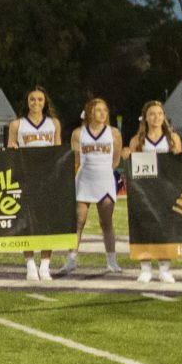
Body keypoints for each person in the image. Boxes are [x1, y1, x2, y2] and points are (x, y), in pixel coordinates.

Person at [122, 100, 182, 284]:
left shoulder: (173, 138)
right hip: (144, 193)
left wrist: (181, 156)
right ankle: (145, 268)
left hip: (166, 190)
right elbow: (129, 164)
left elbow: (178, 166)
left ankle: (165, 269)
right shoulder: (137, 140)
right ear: (145, 118)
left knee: (165, 229)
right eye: (152, 114)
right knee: (144, 226)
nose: (156, 117)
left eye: (159, 113)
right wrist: (126, 155)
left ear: (164, 116)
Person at [8, 87, 64, 282]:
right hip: (26, 178)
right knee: (28, 222)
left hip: (48, 178)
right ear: (27, 102)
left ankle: (45, 265)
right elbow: (10, 150)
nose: (36, 103)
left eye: (40, 100)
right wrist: (13, 149)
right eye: (32, 99)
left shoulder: (53, 123)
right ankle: (30, 264)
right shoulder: (17, 124)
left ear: (45, 102)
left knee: (47, 223)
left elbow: (58, 151)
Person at [67, 97, 123, 277]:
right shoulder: (78, 133)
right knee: (78, 221)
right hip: (84, 180)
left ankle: (112, 261)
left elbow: (116, 160)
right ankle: (71, 260)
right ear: (90, 112)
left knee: (106, 222)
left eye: (105, 110)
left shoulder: (114, 133)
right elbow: (75, 160)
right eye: (98, 110)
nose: (102, 113)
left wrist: (103, 171)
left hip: (105, 180)